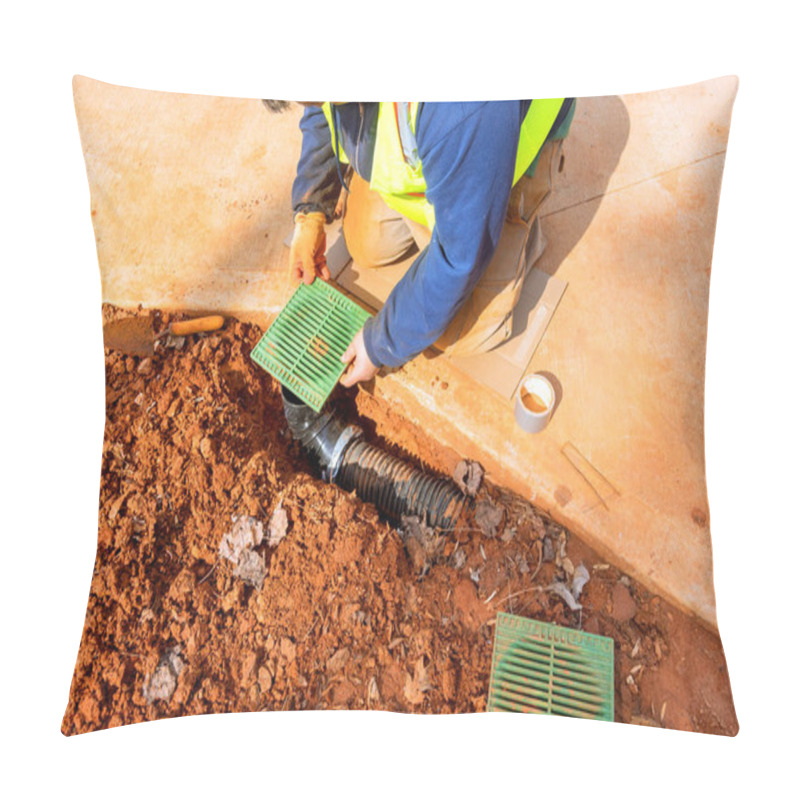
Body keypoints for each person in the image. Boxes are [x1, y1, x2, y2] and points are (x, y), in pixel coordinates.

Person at [287, 99, 575, 387]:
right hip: (446, 138)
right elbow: (321, 107)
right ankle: (434, 173)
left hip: (493, 145)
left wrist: (380, 344)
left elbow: (459, 256)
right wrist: (309, 212)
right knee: (366, 246)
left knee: (458, 332)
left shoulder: (461, 107)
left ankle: (513, 226)